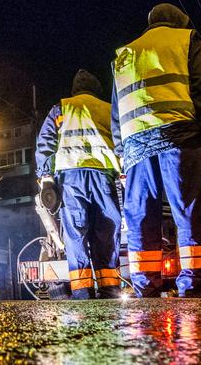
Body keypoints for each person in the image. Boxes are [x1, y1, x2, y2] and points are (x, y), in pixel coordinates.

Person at [110, 3, 201, 298]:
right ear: (179, 21)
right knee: (188, 208)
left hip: (135, 148)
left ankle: (146, 284)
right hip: (179, 136)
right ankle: (195, 283)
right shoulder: (186, 40)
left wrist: (122, 150)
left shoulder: (125, 54)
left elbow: (116, 110)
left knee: (141, 216)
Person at [36, 69, 122, 299]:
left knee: (76, 235)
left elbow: (45, 144)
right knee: (106, 232)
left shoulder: (61, 108)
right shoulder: (107, 108)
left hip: (71, 179)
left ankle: (82, 292)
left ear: (75, 90)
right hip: (103, 177)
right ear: (96, 90)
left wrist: (46, 179)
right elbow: (122, 140)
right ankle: (109, 288)